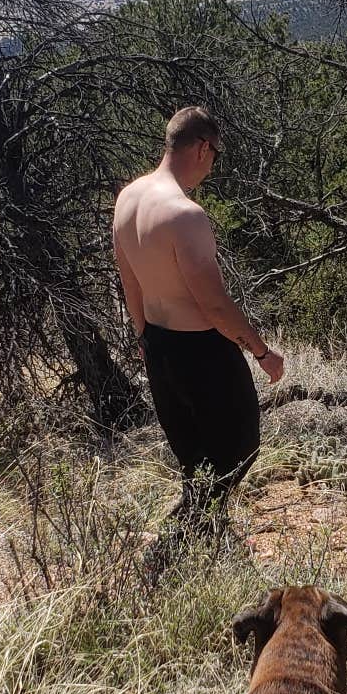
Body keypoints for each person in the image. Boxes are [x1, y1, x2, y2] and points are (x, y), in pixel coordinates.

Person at [113, 106, 284, 549]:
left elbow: (129, 279)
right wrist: (262, 352)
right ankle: (183, 538)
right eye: (215, 155)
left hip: (158, 344)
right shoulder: (184, 214)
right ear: (203, 148)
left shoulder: (128, 198)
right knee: (239, 447)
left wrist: (142, 337)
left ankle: (202, 535)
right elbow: (213, 303)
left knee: (194, 454)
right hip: (202, 352)